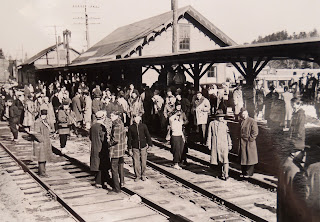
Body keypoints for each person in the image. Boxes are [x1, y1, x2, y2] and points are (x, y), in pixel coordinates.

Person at [207, 109, 232, 181]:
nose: (221, 118)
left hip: (224, 144)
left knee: (225, 160)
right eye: (219, 117)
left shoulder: (225, 124)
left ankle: (226, 174)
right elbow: (209, 134)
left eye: (222, 117)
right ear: (217, 117)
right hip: (215, 144)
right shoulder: (212, 124)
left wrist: (230, 144)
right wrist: (209, 143)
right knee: (218, 160)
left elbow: (228, 135)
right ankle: (220, 173)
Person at [89, 110, 111, 189]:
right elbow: (103, 139)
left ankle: (102, 180)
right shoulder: (102, 127)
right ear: (103, 118)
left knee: (97, 164)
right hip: (101, 148)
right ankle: (100, 182)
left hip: (94, 147)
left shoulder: (93, 126)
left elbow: (90, 137)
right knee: (102, 164)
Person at [127, 115, 152, 182]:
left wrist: (150, 144)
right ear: (134, 119)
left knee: (144, 162)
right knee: (136, 162)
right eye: (135, 118)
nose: (137, 120)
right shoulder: (131, 127)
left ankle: (143, 175)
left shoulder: (143, 126)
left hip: (143, 146)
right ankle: (137, 175)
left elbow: (147, 135)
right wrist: (129, 148)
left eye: (138, 118)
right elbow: (129, 139)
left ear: (140, 119)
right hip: (135, 147)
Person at [31, 110, 53, 177]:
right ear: (40, 115)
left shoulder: (44, 121)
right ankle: (42, 173)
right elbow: (36, 133)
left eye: (45, 115)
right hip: (41, 143)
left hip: (45, 142)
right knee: (41, 158)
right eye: (43, 115)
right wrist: (42, 140)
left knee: (44, 157)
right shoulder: (37, 122)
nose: (44, 116)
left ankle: (42, 171)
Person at [109, 111, 126, 194]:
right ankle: (122, 182)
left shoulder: (116, 125)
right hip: (121, 149)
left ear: (116, 116)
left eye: (112, 115)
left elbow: (115, 139)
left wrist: (109, 144)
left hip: (116, 150)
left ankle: (116, 188)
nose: (110, 116)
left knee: (114, 168)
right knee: (120, 166)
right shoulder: (121, 123)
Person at [239, 107, 259, 178]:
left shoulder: (252, 121)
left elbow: (255, 132)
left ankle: (249, 173)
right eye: (242, 114)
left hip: (249, 142)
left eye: (244, 114)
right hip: (243, 142)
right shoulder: (241, 121)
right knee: (243, 158)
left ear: (247, 113)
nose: (243, 116)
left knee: (250, 158)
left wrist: (251, 139)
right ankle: (244, 172)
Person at [169, 103, 188, 170]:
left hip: (180, 136)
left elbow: (181, 129)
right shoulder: (172, 121)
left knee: (181, 150)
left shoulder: (180, 122)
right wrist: (176, 114)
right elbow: (171, 118)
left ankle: (180, 162)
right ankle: (175, 163)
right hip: (175, 136)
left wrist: (183, 138)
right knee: (176, 150)